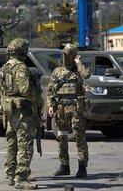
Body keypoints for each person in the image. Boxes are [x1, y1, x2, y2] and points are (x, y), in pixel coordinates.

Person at [0, 38, 43, 189]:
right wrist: (38, 99)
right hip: (23, 112)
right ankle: (20, 178)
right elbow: (26, 91)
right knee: (25, 144)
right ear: (22, 51)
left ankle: (11, 173)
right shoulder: (20, 67)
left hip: (10, 111)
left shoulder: (6, 66)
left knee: (12, 143)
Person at [47, 43, 91, 178]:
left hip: (75, 109)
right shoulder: (57, 71)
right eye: (64, 54)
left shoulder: (79, 71)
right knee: (61, 137)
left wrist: (79, 63)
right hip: (60, 109)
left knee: (79, 137)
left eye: (68, 54)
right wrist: (50, 105)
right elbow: (50, 90)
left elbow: (86, 75)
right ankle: (64, 165)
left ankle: (82, 166)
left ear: (73, 56)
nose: (65, 56)